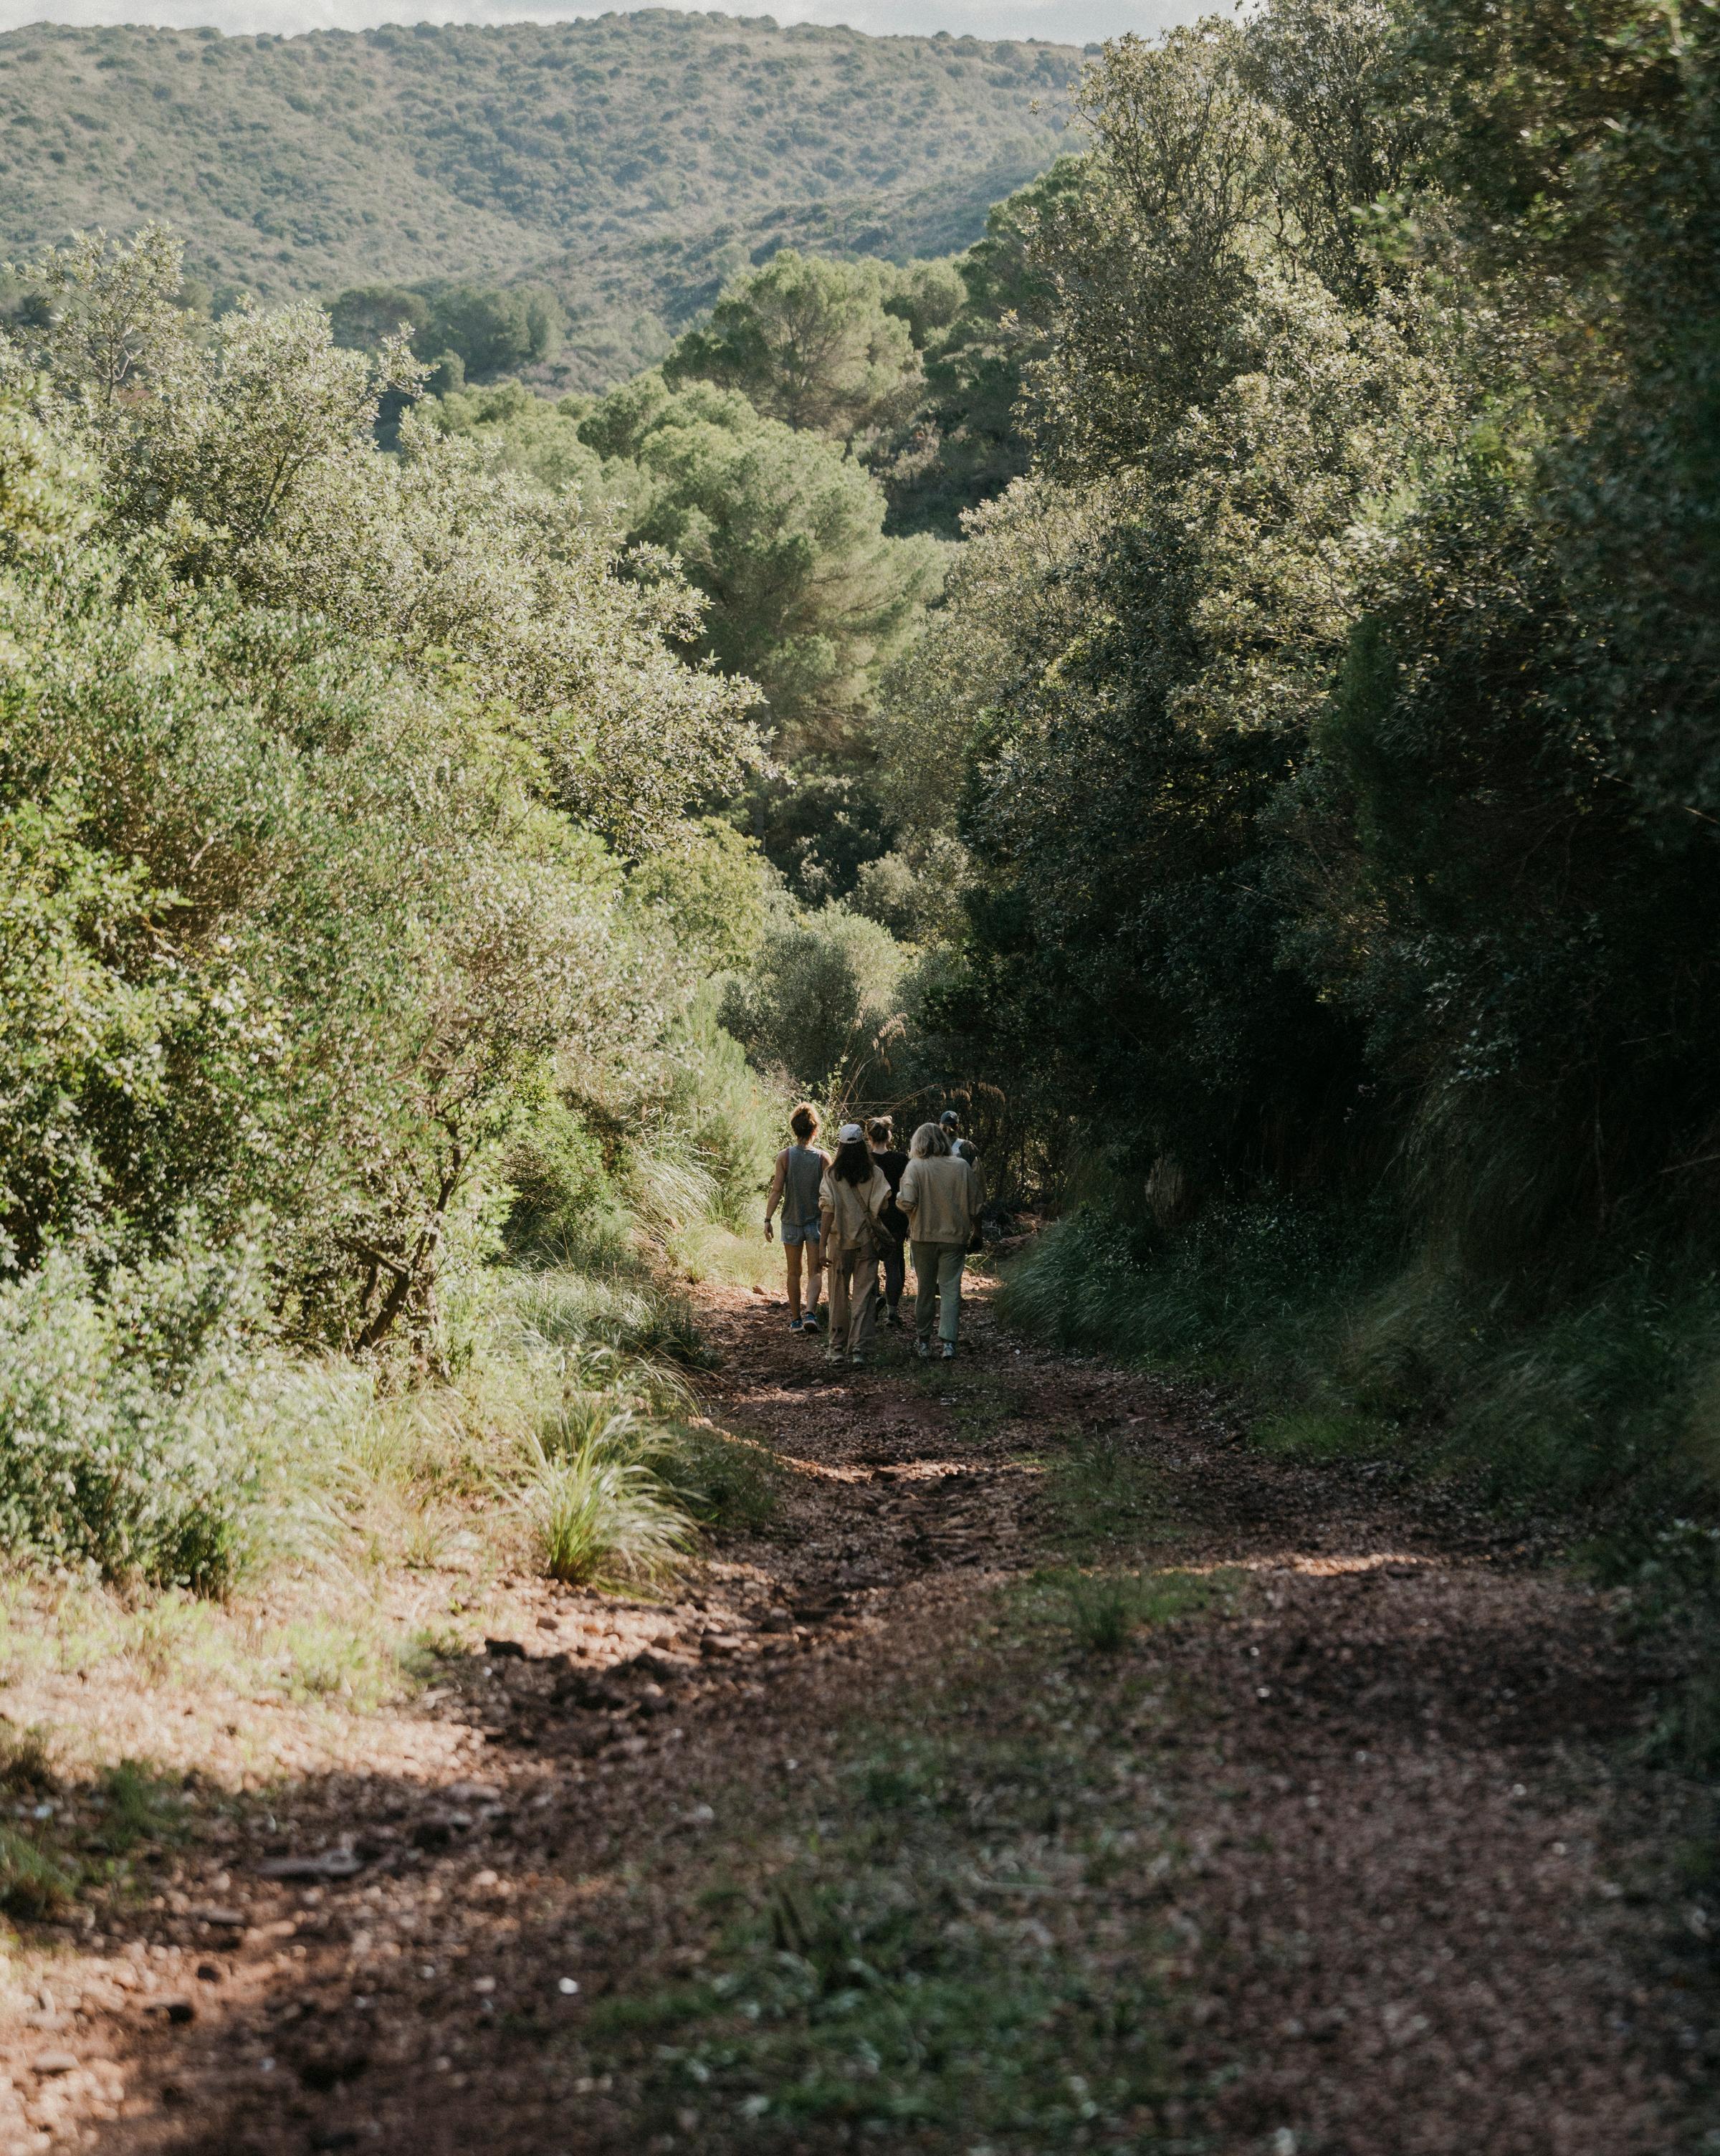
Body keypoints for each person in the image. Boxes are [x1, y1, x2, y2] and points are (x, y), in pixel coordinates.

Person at [897, 1121, 979, 1360]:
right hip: (954, 1237)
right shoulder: (962, 1167)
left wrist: (902, 1203)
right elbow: (976, 1205)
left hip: (923, 1236)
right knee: (951, 1290)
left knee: (925, 1290)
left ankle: (923, 1342)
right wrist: (977, 1233)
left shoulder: (915, 1167)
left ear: (918, 1142)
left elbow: (908, 1202)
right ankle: (948, 1344)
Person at [818, 1123, 892, 1367]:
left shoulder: (831, 1175)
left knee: (838, 1294)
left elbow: (827, 1211)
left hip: (839, 1242)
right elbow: (883, 1206)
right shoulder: (874, 1173)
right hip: (866, 1242)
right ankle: (860, 1349)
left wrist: (820, 1248)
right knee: (864, 1295)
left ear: (840, 1146)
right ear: (863, 1144)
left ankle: (837, 1348)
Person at [763, 1103, 828, 1332]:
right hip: (817, 1223)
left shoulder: (785, 1157)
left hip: (790, 1221)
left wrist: (768, 1219)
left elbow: (776, 1190)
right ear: (815, 1130)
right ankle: (810, 1313)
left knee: (793, 1272)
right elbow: (830, 1194)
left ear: (794, 1129)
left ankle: (795, 1320)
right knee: (815, 1271)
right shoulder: (823, 1158)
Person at [866, 1116, 909, 1327]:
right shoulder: (901, 1160)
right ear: (888, 1136)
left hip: (872, 1217)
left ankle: (874, 1299)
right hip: (896, 1217)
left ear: (869, 1137)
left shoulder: (865, 1160)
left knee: (870, 1263)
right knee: (894, 1265)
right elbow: (905, 1190)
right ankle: (892, 1312)